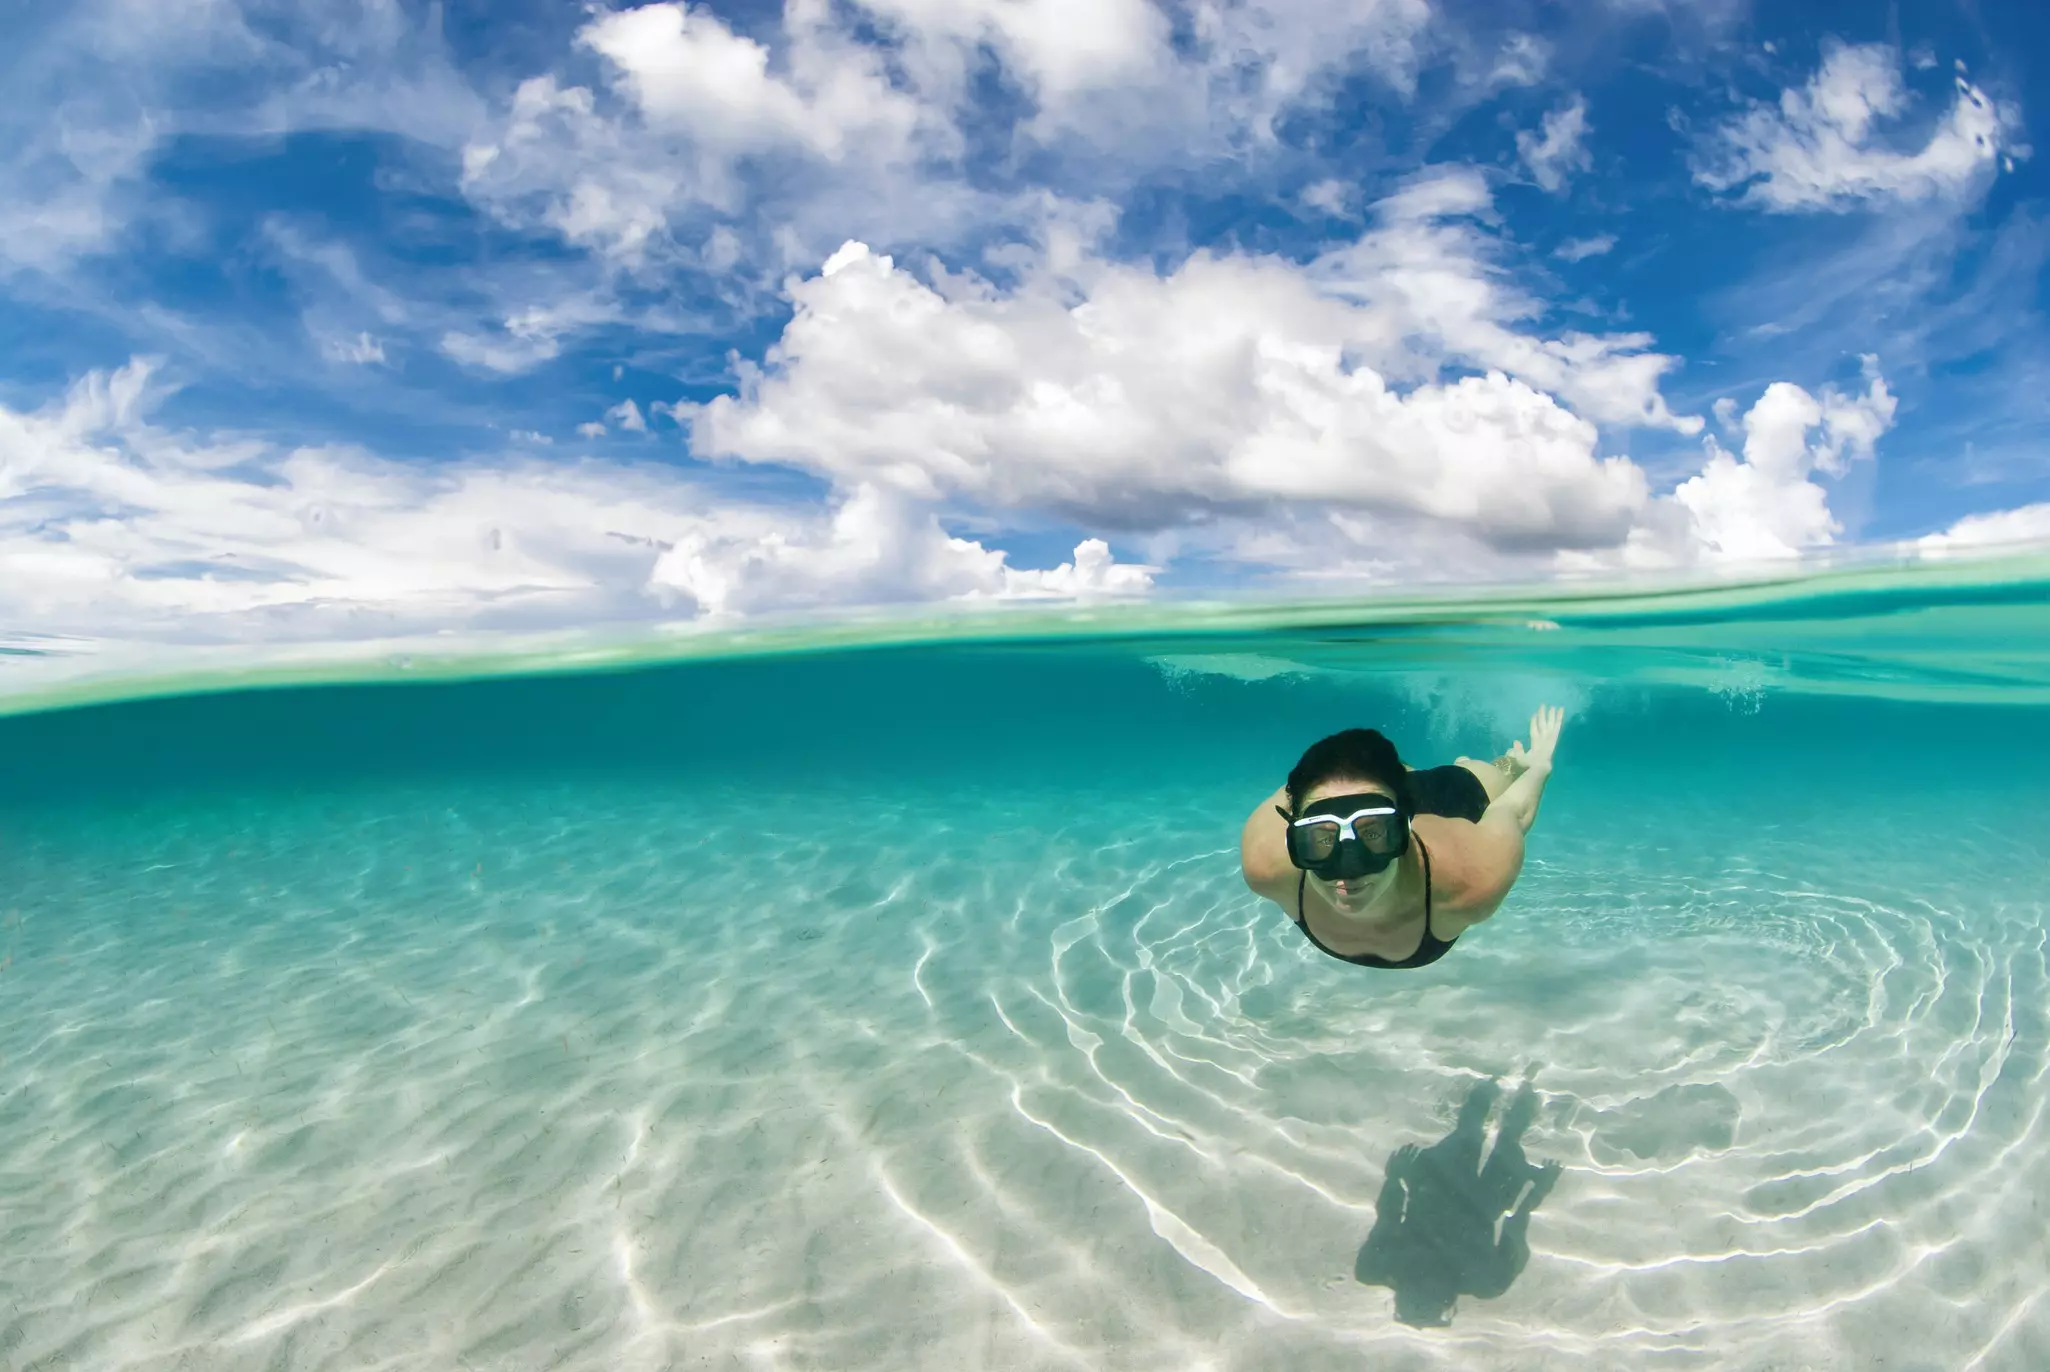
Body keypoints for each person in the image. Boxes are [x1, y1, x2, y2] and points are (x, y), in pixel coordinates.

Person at [1239, 707, 1564, 969]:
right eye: (1322, 839)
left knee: (1494, 775)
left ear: (1408, 826)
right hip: (1385, 800)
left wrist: (1536, 768)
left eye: (1374, 835)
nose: (1348, 870)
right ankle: (1389, 780)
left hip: (1450, 799)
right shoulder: (1266, 863)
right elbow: (1296, 792)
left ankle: (1495, 766)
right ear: (1293, 833)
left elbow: (1512, 812)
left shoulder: (1470, 880)